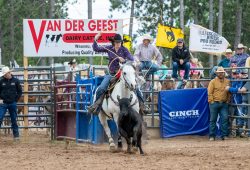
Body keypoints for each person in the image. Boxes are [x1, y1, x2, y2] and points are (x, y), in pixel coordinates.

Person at [87, 33, 148, 115]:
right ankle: (96, 105)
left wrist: (125, 61)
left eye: (119, 42)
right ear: (113, 42)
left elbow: (131, 59)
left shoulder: (124, 50)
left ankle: (142, 105)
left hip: (123, 73)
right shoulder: (109, 48)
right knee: (102, 88)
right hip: (111, 73)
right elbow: (96, 48)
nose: (118, 44)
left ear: (121, 42)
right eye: (116, 42)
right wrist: (95, 39)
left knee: (135, 86)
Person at [208, 67, 230, 141]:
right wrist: (211, 101)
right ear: (216, 73)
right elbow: (209, 92)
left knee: (225, 119)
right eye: (219, 72)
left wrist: (227, 101)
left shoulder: (227, 81)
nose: (221, 74)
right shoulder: (212, 82)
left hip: (224, 103)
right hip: (214, 103)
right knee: (213, 120)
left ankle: (224, 135)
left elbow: (229, 92)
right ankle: (212, 136)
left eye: (222, 72)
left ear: (224, 73)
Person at [0, 66, 22, 140]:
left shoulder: (16, 81)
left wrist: (15, 100)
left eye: (6, 74)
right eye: (4, 74)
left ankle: (16, 136)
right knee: (0, 117)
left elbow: (19, 92)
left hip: (12, 103)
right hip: (3, 103)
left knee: (14, 119)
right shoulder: (1, 81)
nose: (5, 75)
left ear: (9, 73)